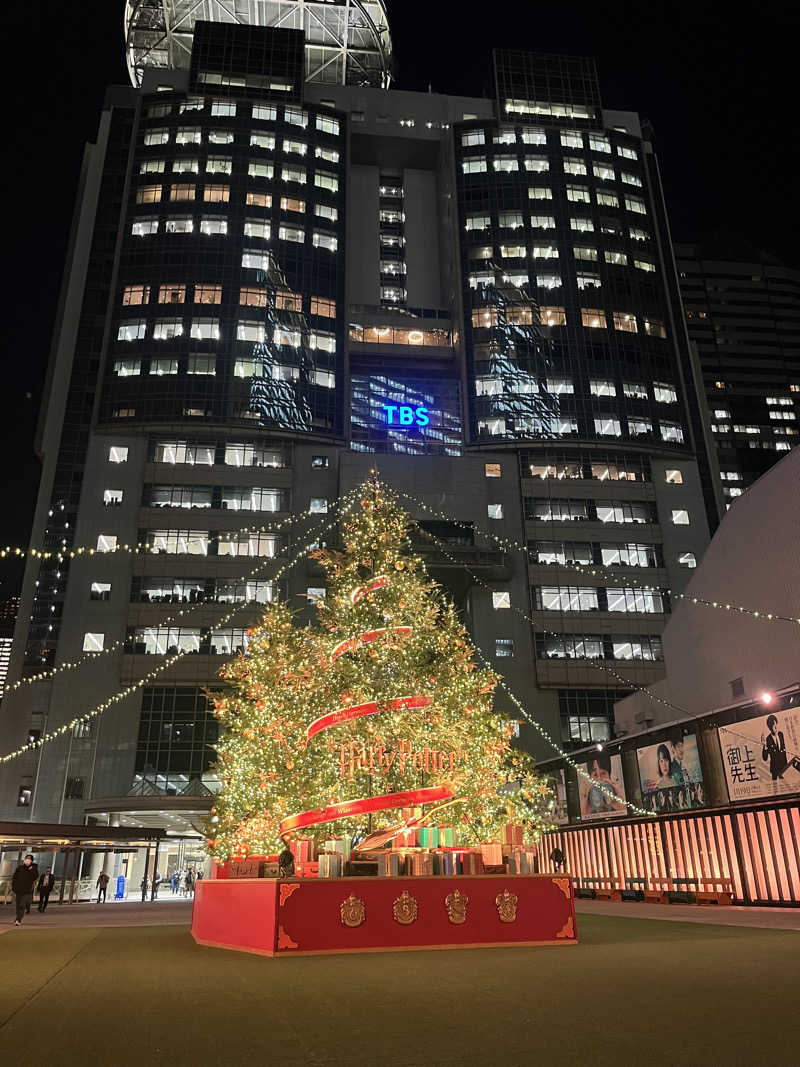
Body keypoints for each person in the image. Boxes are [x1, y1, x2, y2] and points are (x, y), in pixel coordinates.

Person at [12, 854, 38, 926]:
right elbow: (14, 877)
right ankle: (18, 917)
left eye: (29, 859)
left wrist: (31, 870)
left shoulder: (33, 868)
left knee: (22, 905)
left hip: (27, 891)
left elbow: (35, 877)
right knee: (18, 905)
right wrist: (14, 887)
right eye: (26, 858)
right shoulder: (20, 868)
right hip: (18, 890)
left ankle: (18, 920)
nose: (27, 860)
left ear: (31, 860)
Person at [762, 715, 789, 779]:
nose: (775, 727)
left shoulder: (781, 734)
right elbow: (765, 758)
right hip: (775, 770)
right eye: (773, 726)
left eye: (776, 724)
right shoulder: (768, 739)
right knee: (775, 787)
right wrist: (764, 745)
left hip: (784, 768)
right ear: (769, 728)